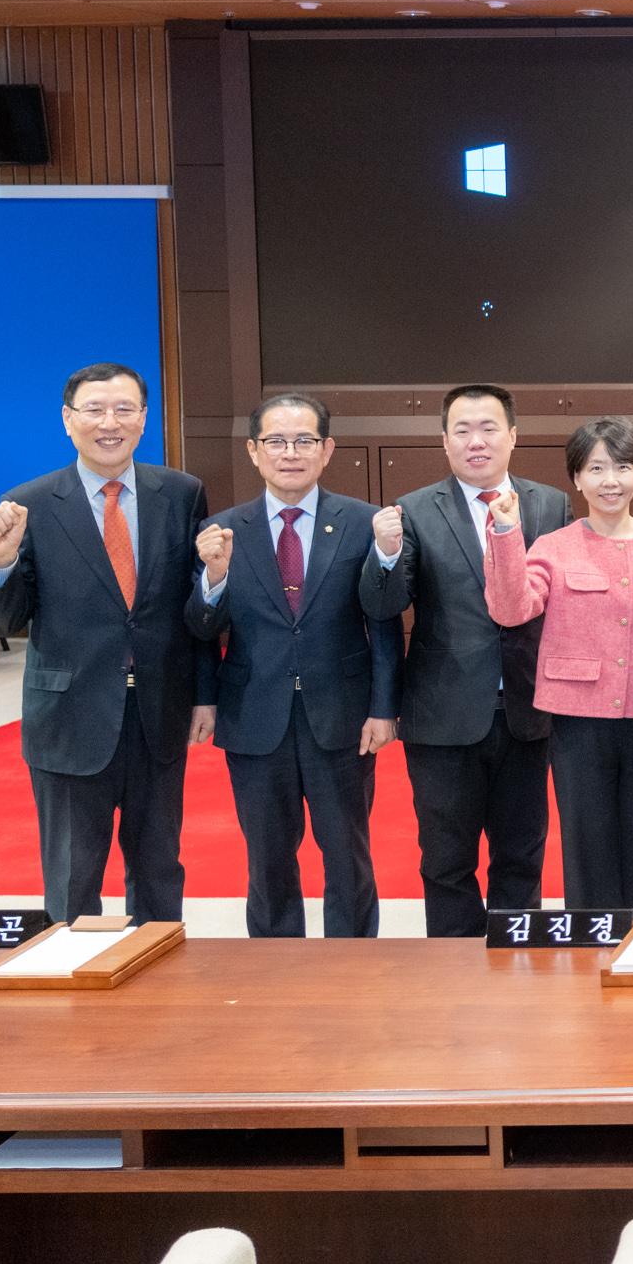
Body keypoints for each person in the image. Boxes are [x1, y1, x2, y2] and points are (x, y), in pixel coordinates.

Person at [0, 362, 215, 922]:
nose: (110, 423)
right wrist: (0, 561)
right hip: (69, 717)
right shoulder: (29, 503)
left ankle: (158, 981)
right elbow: (5, 622)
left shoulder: (180, 494)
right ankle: (71, 991)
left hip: (158, 713)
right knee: (72, 874)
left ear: (144, 418)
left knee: (159, 868)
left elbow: (192, 607)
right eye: (94, 410)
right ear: (67, 420)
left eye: (124, 409)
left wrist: (205, 695)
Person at [186, 392, 401, 939]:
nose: (291, 453)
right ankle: (275, 963)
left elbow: (382, 622)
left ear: (327, 450)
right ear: (254, 451)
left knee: (348, 852)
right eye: (276, 442)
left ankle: (352, 960)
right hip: (254, 716)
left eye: (304, 440)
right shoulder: (223, 530)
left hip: (343, 717)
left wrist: (384, 708)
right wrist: (213, 579)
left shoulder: (362, 523)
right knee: (267, 855)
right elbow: (203, 631)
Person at [361, 384, 570, 937]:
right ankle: (453, 974)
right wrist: (384, 553)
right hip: (443, 714)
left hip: (529, 710)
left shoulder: (549, 503)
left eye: (489, 428)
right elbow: (384, 605)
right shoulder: (411, 509)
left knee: (522, 855)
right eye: (462, 430)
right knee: (447, 860)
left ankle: (515, 968)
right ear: (445, 441)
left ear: (513, 436)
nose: (476, 441)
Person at [484, 416, 633, 923]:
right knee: (586, 843)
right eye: (596, 468)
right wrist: (507, 531)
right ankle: (591, 952)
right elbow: (510, 610)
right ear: (576, 478)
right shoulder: (553, 547)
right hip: (577, 720)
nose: (610, 481)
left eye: (622, 467)